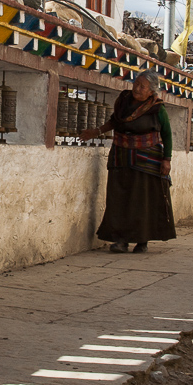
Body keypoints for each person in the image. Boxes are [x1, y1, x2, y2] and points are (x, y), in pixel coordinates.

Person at [79, 69, 174, 252]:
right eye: (136, 84)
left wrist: (167, 159)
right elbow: (114, 121)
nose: (137, 89)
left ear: (151, 91)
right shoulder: (123, 100)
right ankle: (120, 240)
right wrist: (96, 132)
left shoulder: (157, 108)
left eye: (142, 86)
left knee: (142, 200)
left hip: (147, 158)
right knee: (118, 197)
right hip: (121, 155)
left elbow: (167, 134)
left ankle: (142, 240)